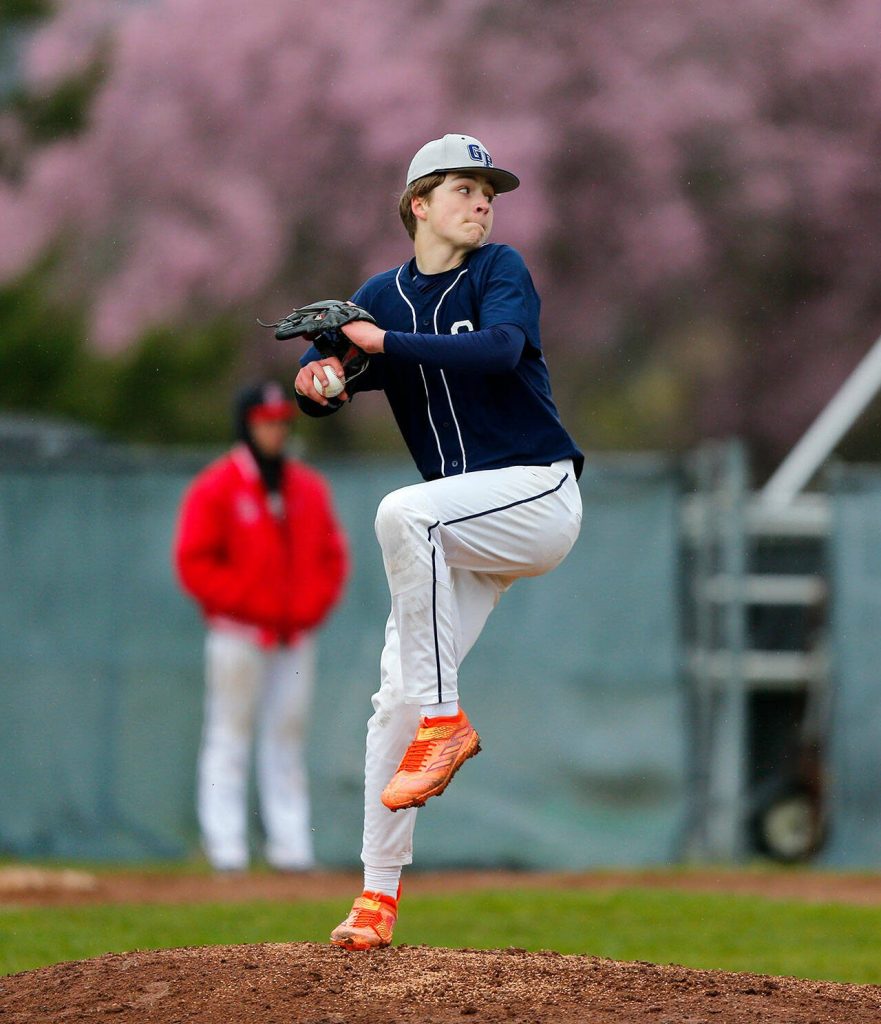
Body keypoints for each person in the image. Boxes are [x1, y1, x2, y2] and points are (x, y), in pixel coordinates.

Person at [293, 133, 584, 948]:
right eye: (463, 187)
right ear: (417, 203)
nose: (483, 201)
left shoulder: (500, 272)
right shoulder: (377, 294)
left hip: (535, 494)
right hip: (461, 533)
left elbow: (497, 351)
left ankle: (446, 721)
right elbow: (331, 377)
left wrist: (375, 346)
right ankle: (375, 900)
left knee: (402, 511)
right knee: (394, 702)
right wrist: (317, 384)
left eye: (488, 190)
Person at [174, 381, 348, 872]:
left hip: (294, 635)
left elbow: (331, 559)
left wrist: (306, 609)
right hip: (239, 634)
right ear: (247, 425)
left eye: (281, 423)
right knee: (228, 735)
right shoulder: (216, 486)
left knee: (286, 738)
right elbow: (195, 563)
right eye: (266, 422)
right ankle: (226, 849)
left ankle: (291, 850)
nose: (275, 431)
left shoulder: (307, 488)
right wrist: (255, 606)